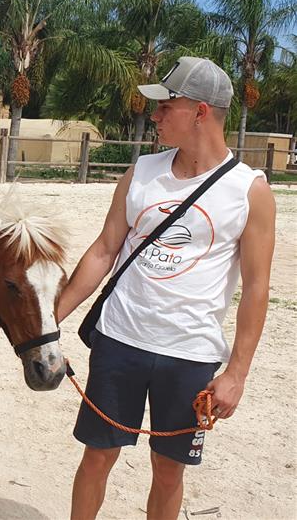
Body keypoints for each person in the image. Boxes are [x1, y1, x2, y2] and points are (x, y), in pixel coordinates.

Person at [57, 57, 276, 520]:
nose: (153, 115)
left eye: (165, 106)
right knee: (97, 457)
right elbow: (104, 250)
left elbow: (257, 287)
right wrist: (50, 318)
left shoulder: (249, 191)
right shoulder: (141, 172)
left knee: (169, 470)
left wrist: (236, 374)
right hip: (119, 341)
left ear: (200, 112)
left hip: (190, 355)